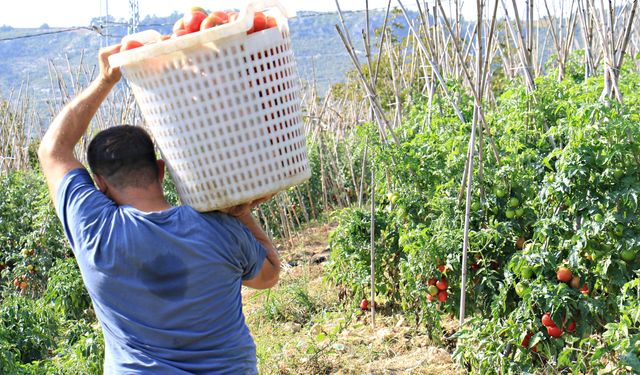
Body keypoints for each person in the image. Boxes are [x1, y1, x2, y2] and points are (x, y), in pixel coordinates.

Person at [37, 44, 281, 374]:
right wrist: (238, 211)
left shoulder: (93, 229)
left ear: (101, 185)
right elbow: (268, 276)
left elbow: (53, 150)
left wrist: (105, 80)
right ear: (161, 170)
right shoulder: (219, 227)